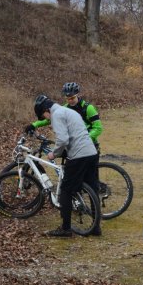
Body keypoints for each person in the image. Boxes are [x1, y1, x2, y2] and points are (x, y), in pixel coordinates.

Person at [33, 95, 101, 237]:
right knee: (92, 189)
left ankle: (65, 229)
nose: (46, 119)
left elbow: (63, 139)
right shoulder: (69, 111)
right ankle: (96, 227)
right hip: (91, 152)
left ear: (46, 110)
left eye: (44, 116)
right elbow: (75, 133)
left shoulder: (57, 115)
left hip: (79, 155)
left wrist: (54, 153)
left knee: (66, 190)